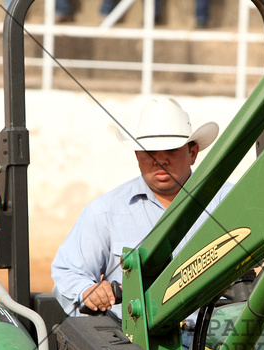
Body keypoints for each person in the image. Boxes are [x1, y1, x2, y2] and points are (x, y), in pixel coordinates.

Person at [51, 98, 233, 319]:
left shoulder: (229, 200)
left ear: (192, 153)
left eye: (171, 150)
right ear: (137, 156)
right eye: (149, 152)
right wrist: (87, 291)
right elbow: (68, 272)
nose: (160, 160)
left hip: (219, 340)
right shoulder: (105, 212)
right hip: (135, 346)